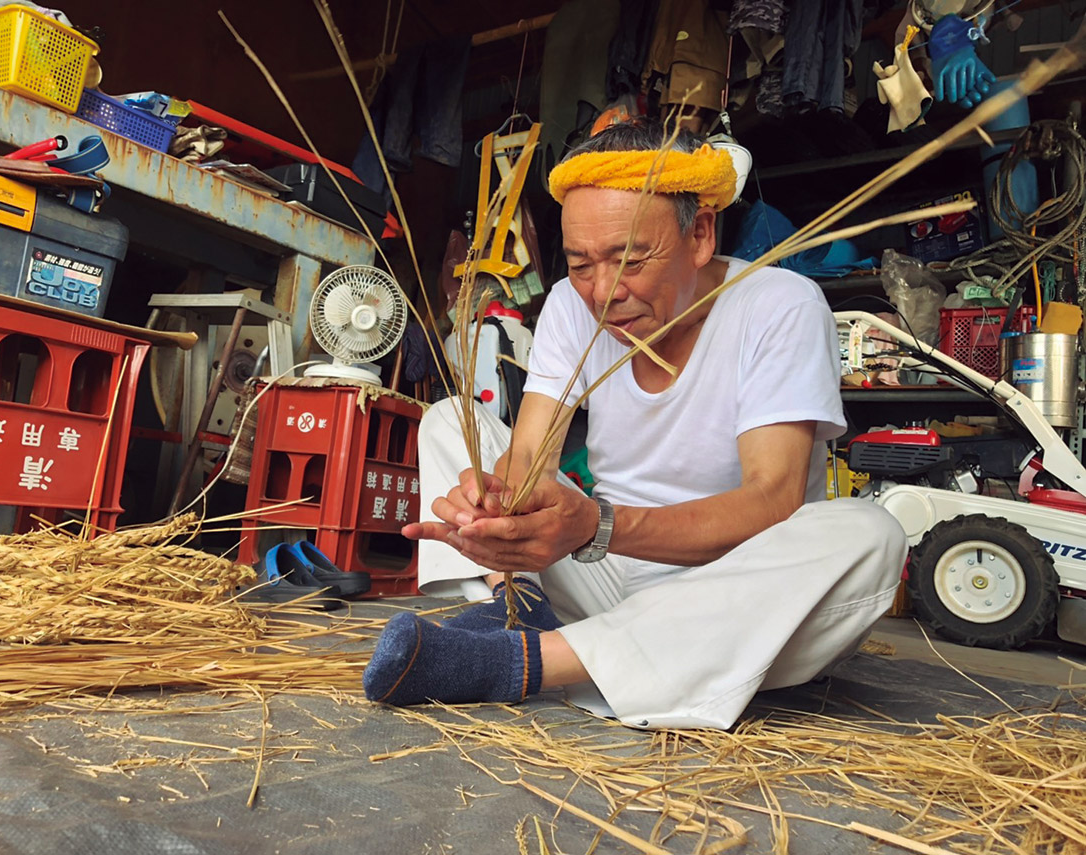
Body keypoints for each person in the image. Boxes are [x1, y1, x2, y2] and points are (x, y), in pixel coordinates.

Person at [362, 121, 908, 729]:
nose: (604, 291)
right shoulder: (572, 306)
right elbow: (527, 459)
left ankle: (512, 661)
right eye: (580, 264)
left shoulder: (779, 304)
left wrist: (597, 527)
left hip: (733, 598)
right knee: (447, 420)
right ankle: (514, 604)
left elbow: (772, 499)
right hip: (597, 575)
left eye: (630, 259)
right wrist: (495, 505)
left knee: (871, 535)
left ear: (699, 233)